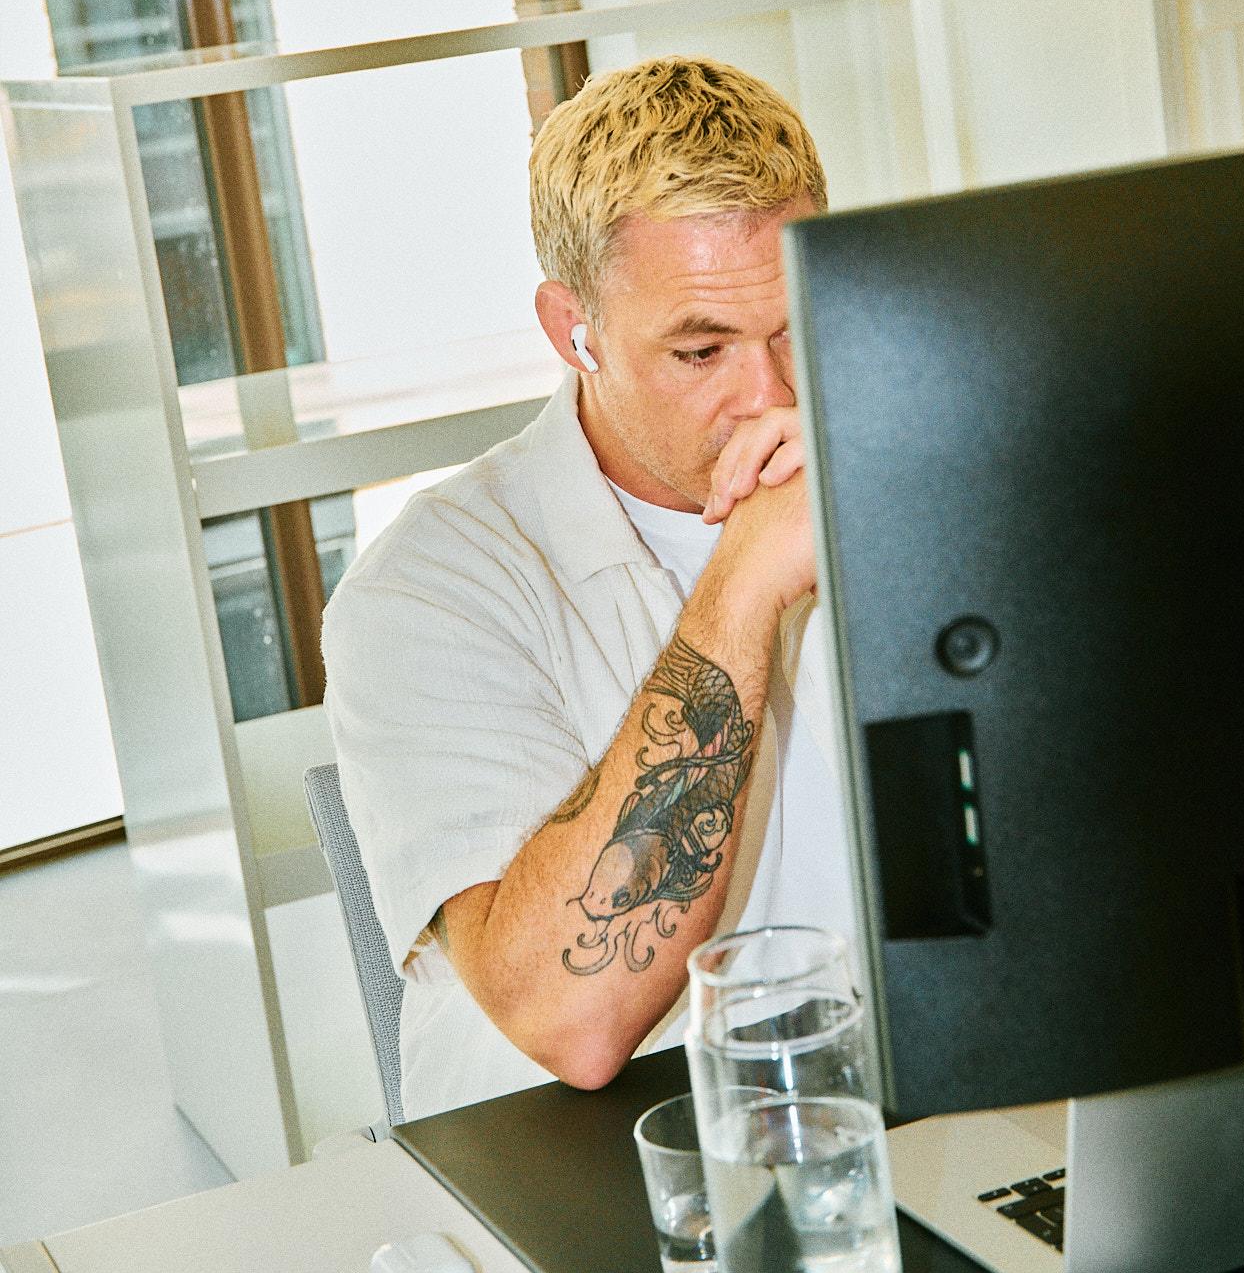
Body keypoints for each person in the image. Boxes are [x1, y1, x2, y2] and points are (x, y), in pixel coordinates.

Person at [323, 56, 857, 1120]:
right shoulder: (429, 588)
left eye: (796, 326)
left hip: (874, 1096)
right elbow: (573, 1014)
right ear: (574, 329)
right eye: (701, 350)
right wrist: (743, 583)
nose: (772, 394)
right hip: (580, 1158)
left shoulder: (897, 464)